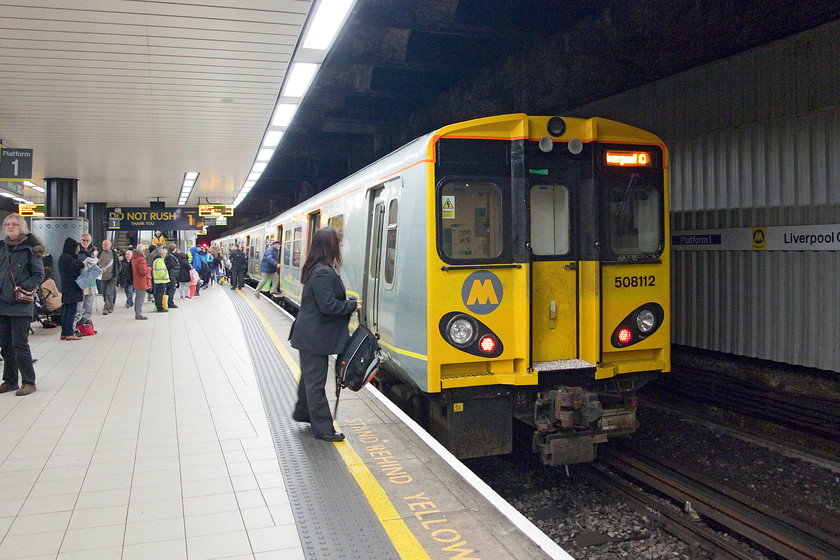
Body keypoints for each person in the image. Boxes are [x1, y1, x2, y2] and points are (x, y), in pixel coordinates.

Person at [290, 227, 361, 442]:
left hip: (311, 336)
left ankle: (303, 413)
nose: (341, 245)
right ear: (328, 245)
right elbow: (328, 305)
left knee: (310, 379)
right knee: (316, 383)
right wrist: (351, 306)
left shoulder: (318, 268)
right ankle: (323, 429)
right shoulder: (323, 272)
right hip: (314, 338)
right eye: (338, 241)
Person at [0, 214, 46, 396]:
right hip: (2, 303)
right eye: (7, 224)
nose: (10, 227)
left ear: (22, 228)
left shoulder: (30, 249)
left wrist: (23, 287)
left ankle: (29, 381)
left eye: (13, 225)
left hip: (20, 303)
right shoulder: (2, 248)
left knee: (19, 343)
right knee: (5, 345)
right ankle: (10, 380)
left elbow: (39, 275)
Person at [58, 237, 84, 340]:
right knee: (71, 311)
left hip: (66, 287)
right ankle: (69, 332)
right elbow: (73, 268)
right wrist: (82, 264)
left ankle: (64, 332)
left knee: (66, 310)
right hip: (73, 287)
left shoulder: (62, 257)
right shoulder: (69, 258)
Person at [74, 233, 98, 326]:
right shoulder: (78, 250)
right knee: (80, 304)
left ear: (90, 241)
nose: (85, 242)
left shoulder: (92, 250)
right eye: (83, 240)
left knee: (89, 301)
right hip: (82, 278)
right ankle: (77, 323)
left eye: (87, 240)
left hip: (91, 279)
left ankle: (86, 321)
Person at [131, 244, 151, 320]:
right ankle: (139, 314)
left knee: (137, 298)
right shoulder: (141, 259)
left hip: (136, 280)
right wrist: (149, 268)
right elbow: (143, 271)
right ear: (143, 251)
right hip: (142, 281)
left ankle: (137, 312)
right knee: (140, 298)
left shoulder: (134, 258)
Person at [98, 239, 118, 315]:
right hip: (102, 277)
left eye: (106, 245)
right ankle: (110, 305)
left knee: (108, 293)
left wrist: (116, 274)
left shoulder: (113, 254)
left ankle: (106, 308)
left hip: (111, 277)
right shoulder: (100, 253)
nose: (104, 246)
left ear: (110, 245)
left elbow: (117, 264)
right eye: (103, 244)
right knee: (103, 293)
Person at [152, 247, 170, 312]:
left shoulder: (156, 260)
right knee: (160, 294)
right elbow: (161, 271)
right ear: (162, 254)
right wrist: (166, 277)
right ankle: (160, 307)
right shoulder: (160, 261)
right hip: (161, 280)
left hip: (157, 280)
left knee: (158, 294)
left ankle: (159, 306)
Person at [165, 243, 179, 308]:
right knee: (171, 288)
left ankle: (168, 301)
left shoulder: (169, 255)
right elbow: (171, 265)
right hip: (171, 274)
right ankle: (170, 302)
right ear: (174, 249)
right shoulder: (171, 256)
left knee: (170, 289)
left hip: (171, 273)